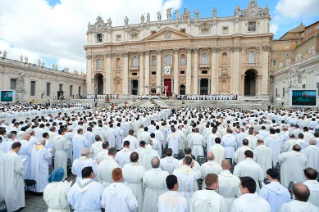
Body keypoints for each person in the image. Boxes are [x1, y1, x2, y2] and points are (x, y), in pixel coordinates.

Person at [1, 142, 25, 211]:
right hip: (15, 176)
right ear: (17, 147)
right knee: (16, 190)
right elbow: (18, 169)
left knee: (9, 190)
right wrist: (22, 165)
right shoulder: (16, 156)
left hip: (6, 175)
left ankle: (9, 205)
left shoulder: (5, 155)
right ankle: (16, 206)